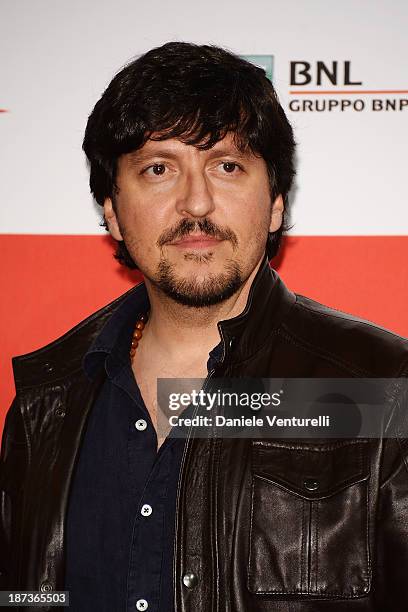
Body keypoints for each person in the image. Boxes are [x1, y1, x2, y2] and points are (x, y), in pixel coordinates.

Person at [1, 41, 408, 612]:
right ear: (113, 211)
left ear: (275, 205)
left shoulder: (382, 386)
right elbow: (24, 594)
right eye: (159, 168)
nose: (196, 202)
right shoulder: (50, 397)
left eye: (228, 165)